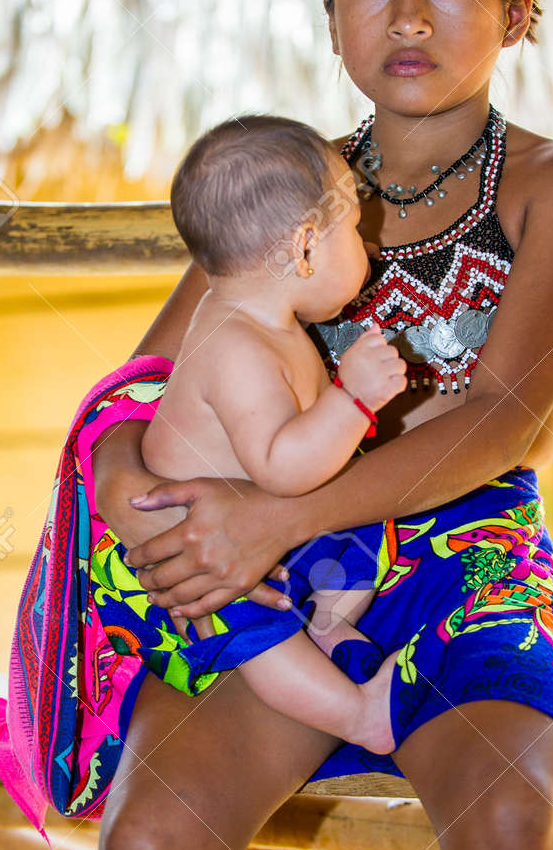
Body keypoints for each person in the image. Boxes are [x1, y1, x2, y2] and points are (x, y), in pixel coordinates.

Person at [82, 0, 553, 850]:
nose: (408, 18)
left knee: (508, 832)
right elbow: (143, 384)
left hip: (464, 564)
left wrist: (272, 514)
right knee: (149, 847)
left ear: (517, 13)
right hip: (275, 586)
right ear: (331, 17)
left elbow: (505, 417)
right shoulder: (277, 192)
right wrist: (120, 479)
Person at [137, 111, 408, 754]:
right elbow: (281, 468)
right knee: (254, 629)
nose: (367, 249)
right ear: (305, 247)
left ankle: (327, 627)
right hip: (197, 560)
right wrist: (354, 399)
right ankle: (358, 718)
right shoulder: (236, 346)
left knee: (365, 531)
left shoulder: (262, 320)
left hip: (265, 526)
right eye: (354, 231)